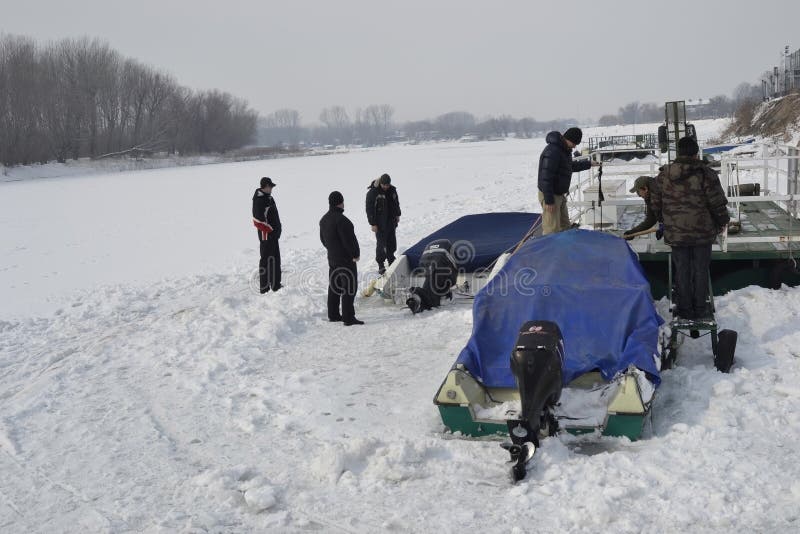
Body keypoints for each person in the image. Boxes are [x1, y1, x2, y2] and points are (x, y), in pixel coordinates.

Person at [651, 136, 730, 321]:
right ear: (696, 153)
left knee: (682, 270)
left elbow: (655, 204)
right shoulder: (706, 174)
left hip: (676, 233)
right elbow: (717, 203)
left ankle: (685, 309)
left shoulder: (663, 176)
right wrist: (722, 222)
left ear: (678, 153)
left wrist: (666, 220)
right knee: (700, 270)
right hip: (702, 233)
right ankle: (700, 309)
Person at [537, 127, 595, 235]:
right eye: (574, 143)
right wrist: (549, 200)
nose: (575, 146)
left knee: (565, 226)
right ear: (567, 139)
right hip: (551, 195)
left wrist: (589, 164)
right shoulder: (553, 151)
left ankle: (564, 250)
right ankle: (551, 251)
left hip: (559, 195)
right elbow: (546, 177)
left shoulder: (564, 150)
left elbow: (569, 166)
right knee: (551, 230)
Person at [320, 191, 364, 325]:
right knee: (349, 287)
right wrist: (355, 254)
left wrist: (332, 250)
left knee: (334, 286)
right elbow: (349, 241)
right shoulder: (343, 221)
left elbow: (323, 239)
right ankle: (348, 317)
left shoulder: (323, 220)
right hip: (346, 260)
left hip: (332, 258)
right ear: (341, 202)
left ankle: (333, 314)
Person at [365, 173, 401, 274]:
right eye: (384, 185)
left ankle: (391, 260)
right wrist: (373, 223)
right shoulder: (373, 193)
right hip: (380, 224)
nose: (386, 187)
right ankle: (381, 264)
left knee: (391, 242)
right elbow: (369, 209)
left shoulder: (392, 190)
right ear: (380, 183)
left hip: (391, 221)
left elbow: (396, 203)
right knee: (381, 245)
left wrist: (397, 214)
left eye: (387, 185)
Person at [252, 176, 282, 293]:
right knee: (265, 261)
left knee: (275, 260)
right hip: (266, 237)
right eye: (270, 187)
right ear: (265, 187)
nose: (272, 189)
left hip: (273, 236)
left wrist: (278, 228)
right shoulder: (259, 200)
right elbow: (257, 221)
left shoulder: (269, 198)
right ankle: (264, 288)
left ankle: (276, 285)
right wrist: (272, 230)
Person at [623, 175, 659, 240]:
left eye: (638, 191)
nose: (639, 195)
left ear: (645, 188)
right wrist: (633, 231)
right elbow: (650, 220)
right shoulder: (649, 198)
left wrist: (667, 225)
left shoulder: (663, 193)